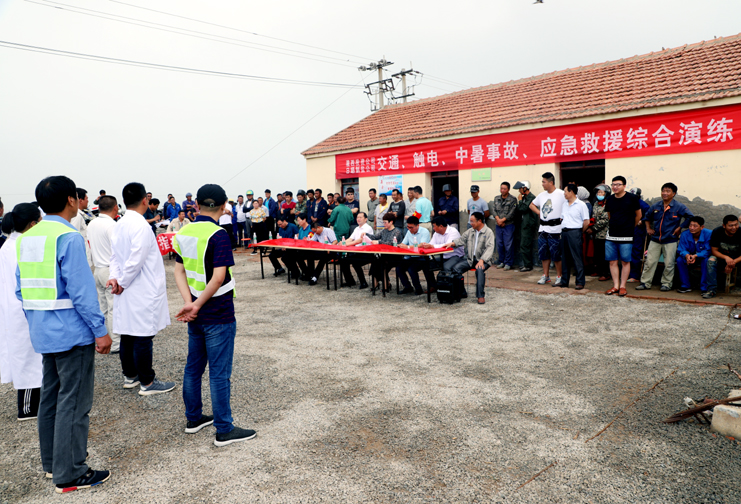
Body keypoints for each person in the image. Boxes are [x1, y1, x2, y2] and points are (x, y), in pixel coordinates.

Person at [16, 176, 111, 493]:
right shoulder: (68, 237)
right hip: (72, 332)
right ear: (71, 199)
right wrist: (100, 330)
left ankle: (52, 463)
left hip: (44, 332)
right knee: (74, 401)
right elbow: (82, 293)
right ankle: (70, 473)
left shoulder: (28, 237)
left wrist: (39, 320)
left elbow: (20, 289)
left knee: (51, 398)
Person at [173, 183, 256, 447]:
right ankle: (224, 429)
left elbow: (178, 271)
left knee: (193, 368)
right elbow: (219, 278)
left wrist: (190, 303)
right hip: (218, 312)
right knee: (219, 373)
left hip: (195, 313)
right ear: (224, 207)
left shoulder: (183, 232)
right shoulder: (219, 235)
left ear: (196, 205)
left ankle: (194, 418)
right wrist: (197, 305)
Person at [108, 182, 175, 396]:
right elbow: (136, 259)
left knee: (128, 333)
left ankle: (130, 375)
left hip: (126, 286)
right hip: (140, 287)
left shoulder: (119, 223)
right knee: (143, 335)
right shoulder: (141, 225)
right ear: (145, 199)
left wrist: (115, 278)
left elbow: (114, 257)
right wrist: (122, 282)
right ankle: (148, 381)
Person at [0, 204, 43, 421]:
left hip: (15, 307)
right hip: (20, 310)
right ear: (32, 224)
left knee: (30, 357)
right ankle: (26, 408)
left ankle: (36, 402)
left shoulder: (10, 244)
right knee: (27, 359)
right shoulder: (21, 246)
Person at [636, 183, 693, 292]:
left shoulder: (679, 207)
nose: (665, 193)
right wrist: (648, 228)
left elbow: (690, 217)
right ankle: (645, 283)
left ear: (674, 193)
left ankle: (666, 284)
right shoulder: (656, 206)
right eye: (663, 191)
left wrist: (680, 227)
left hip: (670, 239)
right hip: (655, 239)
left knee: (669, 264)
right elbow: (647, 217)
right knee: (649, 262)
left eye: (668, 191)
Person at [87, 195, 121, 353]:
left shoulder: (92, 223)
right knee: (114, 307)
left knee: (103, 308)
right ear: (115, 207)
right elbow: (117, 251)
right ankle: (116, 343)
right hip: (110, 270)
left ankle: (104, 338)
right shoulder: (112, 225)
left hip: (98, 268)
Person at [441, 212, 495, 304]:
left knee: (479, 270)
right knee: (456, 269)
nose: (470, 223)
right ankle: (461, 292)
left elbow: (490, 248)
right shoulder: (470, 231)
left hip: (484, 260)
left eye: (472, 221)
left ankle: (480, 296)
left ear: (479, 221)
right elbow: (461, 240)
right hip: (470, 259)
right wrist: (452, 243)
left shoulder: (488, 232)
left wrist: (482, 260)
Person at [604, 176, 642, 296]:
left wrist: (630, 226)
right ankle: (615, 285)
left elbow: (639, 215)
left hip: (626, 235)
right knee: (612, 261)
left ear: (624, 186)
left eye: (618, 184)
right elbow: (609, 215)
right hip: (611, 235)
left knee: (625, 261)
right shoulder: (610, 199)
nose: (615, 187)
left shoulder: (632, 198)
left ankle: (622, 286)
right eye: (613, 184)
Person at [529, 172, 566, 286]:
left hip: (556, 229)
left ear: (551, 182)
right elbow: (531, 205)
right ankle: (546, 275)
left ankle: (559, 276)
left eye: (544, 182)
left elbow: (570, 203)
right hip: (543, 228)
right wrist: (539, 212)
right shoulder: (541, 195)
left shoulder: (561, 194)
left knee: (556, 254)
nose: (542, 184)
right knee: (543, 253)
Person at [416, 216, 464, 293]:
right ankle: (433, 286)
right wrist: (426, 246)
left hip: (456, 256)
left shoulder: (453, 231)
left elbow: (447, 246)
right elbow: (431, 244)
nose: (433, 228)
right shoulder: (436, 233)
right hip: (443, 256)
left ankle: (451, 290)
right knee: (426, 264)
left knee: (446, 267)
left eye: (434, 226)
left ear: (441, 226)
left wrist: (432, 246)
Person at [558, 184, 591, 289]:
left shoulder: (581, 205)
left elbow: (586, 222)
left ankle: (580, 282)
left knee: (577, 257)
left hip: (575, 232)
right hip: (564, 232)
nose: (564, 193)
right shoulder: (564, 204)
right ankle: (564, 281)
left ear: (571, 191)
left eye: (565, 191)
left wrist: (579, 232)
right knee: (565, 258)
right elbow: (562, 218)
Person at [703, 214, 741, 299]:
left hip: (738, 259)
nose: (734, 227)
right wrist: (726, 258)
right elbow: (714, 251)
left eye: (736, 225)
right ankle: (711, 290)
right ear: (724, 225)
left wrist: (733, 262)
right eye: (731, 225)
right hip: (722, 257)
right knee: (711, 260)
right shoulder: (717, 232)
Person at [365, 213, 404, 291]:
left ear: (391, 222)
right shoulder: (384, 231)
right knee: (375, 262)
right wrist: (366, 234)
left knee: (382, 264)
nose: (384, 224)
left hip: (394, 256)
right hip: (385, 254)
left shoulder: (397, 232)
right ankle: (378, 283)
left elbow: (391, 243)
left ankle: (386, 284)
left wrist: (379, 242)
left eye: (385, 222)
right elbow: (375, 237)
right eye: (383, 222)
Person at [395, 216, 431, 295]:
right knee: (399, 268)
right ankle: (408, 287)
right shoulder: (409, 232)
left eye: (411, 227)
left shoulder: (424, 231)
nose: (409, 229)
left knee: (411, 269)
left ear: (417, 225)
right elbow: (403, 243)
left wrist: (408, 247)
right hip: (411, 256)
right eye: (408, 227)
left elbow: (422, 245)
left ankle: (418, 288)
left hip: (422, 257)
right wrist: (400, 245)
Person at [676, 216, 712, 294]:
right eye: (690, 225)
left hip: (702, 257)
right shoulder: (685, 234)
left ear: (702, 227)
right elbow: (681, 249)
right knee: (679, 260)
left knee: (706, 261)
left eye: (695, 226)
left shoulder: (709, 234)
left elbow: (708, 250)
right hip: (689, 256)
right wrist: (687, 255)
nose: (692, 228)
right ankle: (685, 285)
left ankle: (704, 287)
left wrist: (696, 256)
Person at [339, 212, 374, 288]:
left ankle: (363, 283)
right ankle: (350, 281)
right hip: (357, 252)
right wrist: (343, 242)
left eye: (360, 217)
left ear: (366, 219)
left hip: (366, 252)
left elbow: (360, 240)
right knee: (343, 260)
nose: (358, 219)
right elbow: (351, 238)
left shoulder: (368, 228)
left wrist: (347, 244)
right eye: (357, 217)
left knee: (355, 262)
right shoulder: (356, 228)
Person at [491, 182, 518, 270]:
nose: (502, 190)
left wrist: (503, 220)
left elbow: (512, 212)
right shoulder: (497, 198)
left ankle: (508, 263)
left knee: (508, 245)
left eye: (504, 189)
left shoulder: (512, 199)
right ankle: (501, 261)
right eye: (501, 188)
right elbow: (493, 210)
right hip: (498, 225)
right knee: (499, 244)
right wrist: (498, 219)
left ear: (508, 190)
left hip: (508, 225)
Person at [588, 184, 611, 281]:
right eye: (598, 192)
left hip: (604, 233)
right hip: (596, 234)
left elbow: (605, 220)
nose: (599, 194)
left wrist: (593, 228)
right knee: (597, 253)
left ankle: (605, 273)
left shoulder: (608, 204)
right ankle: (598, 270)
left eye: (601, 192)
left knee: (603, 254)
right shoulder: (596, 204)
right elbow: (594, 217)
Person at [627, 187, 650, 282]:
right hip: (628, 231)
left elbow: (649, 217)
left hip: (638, 232)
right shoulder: (627, 203)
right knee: (626, 253)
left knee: (636, 253)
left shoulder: (644, 205)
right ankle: (626, 274)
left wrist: (642, 221)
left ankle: (634, 276)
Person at [513, 181, 537, 272]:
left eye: (520, 188)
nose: (519, 191)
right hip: (523, 224)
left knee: (524, 245)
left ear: (525, 188)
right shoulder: (524, 198)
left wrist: (520, 200)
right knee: (523, 245)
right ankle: (526, 264)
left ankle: (528, 265)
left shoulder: (531, 197)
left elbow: (523, 208)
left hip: (528, 225)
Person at [307, 221, 337, 286]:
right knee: (310, 255)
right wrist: (307, 240)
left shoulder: (328, 231)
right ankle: (311, 274)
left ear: (318, 227)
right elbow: (312, 241)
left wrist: (329, 248)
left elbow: (335, 241)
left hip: (330, 251)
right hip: (322, 250)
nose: (315, 233)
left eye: (315, 231)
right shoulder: (316, 233)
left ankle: (315, 276)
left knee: (323, 258)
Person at [70, 187, 92, 267]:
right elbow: (73, 237)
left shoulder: (80, 214)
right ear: (80, 200)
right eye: (86, 198)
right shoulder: (77, 216)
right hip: (82, 260)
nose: (88, 201)